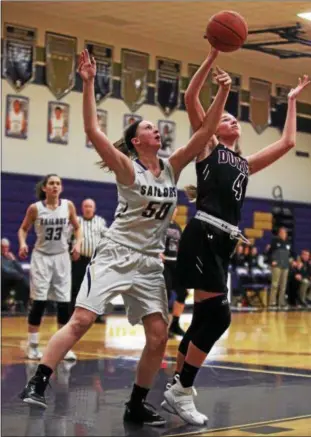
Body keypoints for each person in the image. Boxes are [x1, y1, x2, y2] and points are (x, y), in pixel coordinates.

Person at [20, 48, 232, 426]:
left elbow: (204, 133)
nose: (156, 130)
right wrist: (87, 85)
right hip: (116, 253)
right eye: (148, 128)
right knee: (82, 320)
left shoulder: (171, 166)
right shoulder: (127, 168)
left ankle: (136, 404)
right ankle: (38, 381)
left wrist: (222, 93)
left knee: (157, 336)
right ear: (136, 141)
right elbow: (91, 131)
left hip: (149, 262)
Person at [162, 48, 311, 425]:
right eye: (225, 117)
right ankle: (181, 389)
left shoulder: (244, 164)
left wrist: (291, 102)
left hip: (223, 240)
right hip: (205, 231)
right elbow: (190, 98)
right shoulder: (208, 146)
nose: (231, 120)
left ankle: (178, 384)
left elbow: (288, 142)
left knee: (202, 320)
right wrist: (212, 60)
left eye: (231, 117)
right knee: (218, 316)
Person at [17, 174, 82, 360]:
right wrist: (22, 243)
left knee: (63, 304)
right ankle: (33, 346)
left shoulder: (68, 206)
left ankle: (63, 348)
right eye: (52, 183)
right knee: (39, 302)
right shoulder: (35, 208)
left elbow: (77, 227)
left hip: (61, 257)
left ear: (61, 188)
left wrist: (77, 244)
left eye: (58, 183)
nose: (55, 186)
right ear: (45, 188)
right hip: (42, 258)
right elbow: (23, 228)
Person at [71, 198, 107, 322]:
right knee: (76, 287)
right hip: (78, 261)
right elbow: (69, 238)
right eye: (85, 206)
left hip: (94, 261)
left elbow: (107, 239)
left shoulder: (100, 221)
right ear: (82, 208)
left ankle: (96, 315)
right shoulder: (77, 221)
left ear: (94, 208)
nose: (88, 209)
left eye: (90, 206)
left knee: (95, 288)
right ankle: (73, 314)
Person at [161, 207, 188, 337]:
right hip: (164, 264)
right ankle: (162, 327)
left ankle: (175, 325)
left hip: (176, 263)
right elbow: (150, 240)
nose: (173, 211)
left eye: (175, 210)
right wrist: (156, 252)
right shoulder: (159, 224)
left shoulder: (177, 226)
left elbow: (181, 246)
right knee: (164, 295)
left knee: (183, 293)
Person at [268, 227, 291, 308]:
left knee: (283, 285)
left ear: (286, 234)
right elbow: (269, 252)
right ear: (279, 233)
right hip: (277, 265)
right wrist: (272, 261)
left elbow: (290, 254)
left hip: (285, 266)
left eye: (284, 232)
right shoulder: (275, 241)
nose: (282, 234)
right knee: (275, 284)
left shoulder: (288, 242)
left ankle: (281, 302)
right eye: (281, 232)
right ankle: (272, 302)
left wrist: (292, 260)